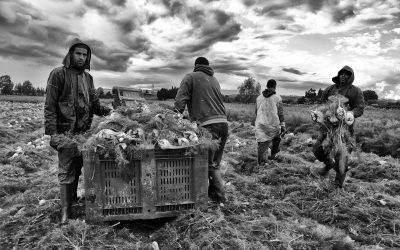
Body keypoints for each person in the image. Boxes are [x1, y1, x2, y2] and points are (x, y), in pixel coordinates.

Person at [44, 38, 111, 224]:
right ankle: (66, 210)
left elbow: (94, 104)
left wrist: (110, 112)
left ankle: (73, 199)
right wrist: (53, 133)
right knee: (66, 170)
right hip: (65, 133)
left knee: (79, 166)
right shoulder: (58, 74)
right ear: (70, 54)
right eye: (78, 54)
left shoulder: (88, 78)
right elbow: (49, 106)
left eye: (85, 54)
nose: (81, 57)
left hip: (84, 133)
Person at [174, 57, 228, 204]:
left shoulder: (190, 77)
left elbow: (180, 101)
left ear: (196, 66)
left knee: (207, 164)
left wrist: (174, 119)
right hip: (223, 123)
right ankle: (212, 196)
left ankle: (219, 199)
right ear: (208, 66)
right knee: (214, 163)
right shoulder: (214, 79)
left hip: (208, 125)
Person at [313, 65, 364, 188]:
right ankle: (329, 163)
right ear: (338, 74)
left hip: (344, 128)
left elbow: (360, 108)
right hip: (327, 126)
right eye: (342, 73)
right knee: (318, 150)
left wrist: (350, 113)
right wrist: (318, 113)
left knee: (342, 156)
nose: (344, 75)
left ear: (351, 77)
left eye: (347, 74)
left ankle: (337, 184)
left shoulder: (355, 91)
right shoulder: (330, 89)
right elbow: (322, 103)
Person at [255, 79, 285, 164]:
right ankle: (272, 156)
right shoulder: (277, 98)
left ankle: (261, 161)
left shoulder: (259, 98)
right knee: (276, 138)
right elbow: (281, 113)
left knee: (262, 142)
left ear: (267, 86)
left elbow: (256, 112)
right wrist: (283, 125)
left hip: (260, 124)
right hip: (273, 124)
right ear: (274, 87)